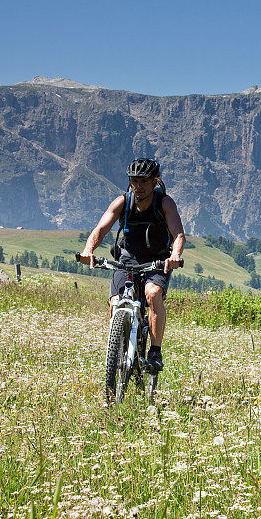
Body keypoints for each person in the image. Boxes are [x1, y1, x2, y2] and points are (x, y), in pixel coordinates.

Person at [78, 158, 185, 371]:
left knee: (153, 294)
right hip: (128, 259)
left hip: (158, 259)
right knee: (116, 301)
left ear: (155, 182)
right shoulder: (122, 202)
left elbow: (178, 234)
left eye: (144, 181)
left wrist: (174, 255)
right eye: (134, 181)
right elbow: (99, 230)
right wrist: (88, 250)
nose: (138, 186)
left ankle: (155, 352)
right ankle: (117, 348)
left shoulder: (164, 203)